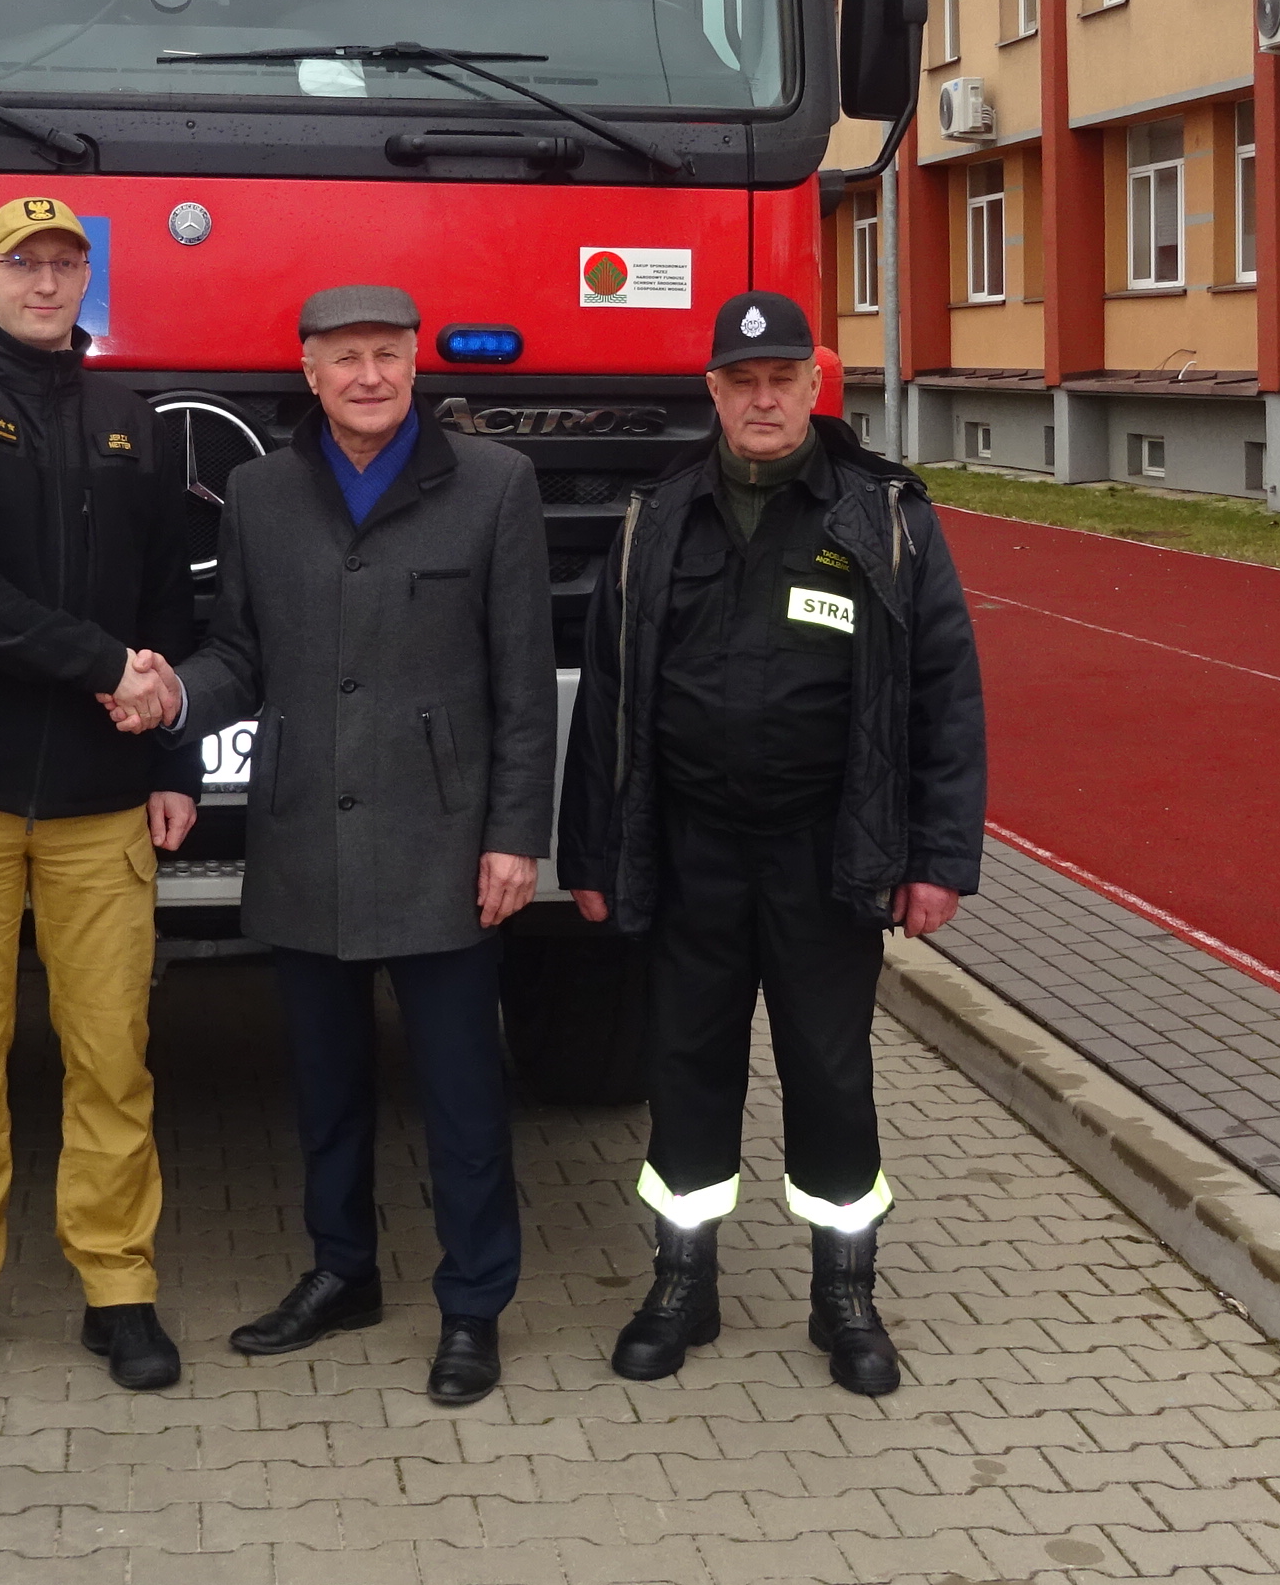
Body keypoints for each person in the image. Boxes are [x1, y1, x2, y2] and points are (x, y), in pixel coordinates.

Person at [120, 285, 555, 1406]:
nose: (369, 376)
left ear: (416, 366)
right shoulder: (261, 493)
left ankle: (473, 1305)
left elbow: (522, 683)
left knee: (462, 1096)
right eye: (346, 358)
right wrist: (174, 700)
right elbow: (240, 656)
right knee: (326, 1087)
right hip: (306, 831)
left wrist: (515, 835)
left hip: (443, 842)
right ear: (308, 374)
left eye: (388, 355)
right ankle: (343, 1271)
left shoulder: (495, 484)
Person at [554, 289, 986, 1397]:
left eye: (781, 380)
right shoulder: (658, 516)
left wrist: (938, 859)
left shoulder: (884, 517)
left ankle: (845, 1293)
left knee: (830, 1073)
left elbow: (945, 694)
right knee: (685, 1065)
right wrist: (591, 855)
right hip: (691, 850)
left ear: (813, 385)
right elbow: (608, 696)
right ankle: (682, 1282)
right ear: (713, 391)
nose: (761, 400)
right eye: (740, 382)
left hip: (827, 853)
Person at [0, 196, 204, 1394]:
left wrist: (171, 755)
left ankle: (119, 1285)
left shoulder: (133, 422)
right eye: (24, 263)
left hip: (102, 797)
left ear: (84, 280)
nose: (46, 282)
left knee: (113, 1053)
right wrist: (97, 662)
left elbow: (166, 600)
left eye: (66, 263)